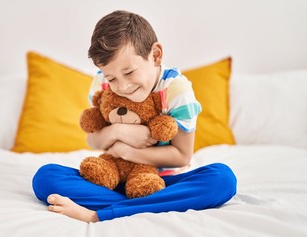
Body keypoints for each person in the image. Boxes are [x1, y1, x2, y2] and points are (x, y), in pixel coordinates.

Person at [32, 10, 237, 223]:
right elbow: (93, 140)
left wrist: (127, 151)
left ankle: (99, 214)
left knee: (222, 179)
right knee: (45, 177)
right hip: (113, 180)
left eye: (129, 72)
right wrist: (118, 131)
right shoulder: (101, 82)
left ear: (156, 55)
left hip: (162, 184)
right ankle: (144, 206)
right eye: (112, 78)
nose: (122, 86)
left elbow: (182, 155)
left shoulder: (176, 90)